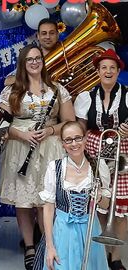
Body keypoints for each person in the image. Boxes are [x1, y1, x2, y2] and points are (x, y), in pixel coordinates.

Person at [0, 44, 75, 270]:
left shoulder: (57, 88)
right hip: (20, 148)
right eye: (29, 59)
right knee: (23, 201)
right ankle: (30, 247)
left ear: (43, 61)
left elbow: (69, 122)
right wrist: (22, 134)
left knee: (45, 201)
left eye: (38, 58)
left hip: (50, 149)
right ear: (23, 63)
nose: (34, 62)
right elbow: (0, 124)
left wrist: (50, 130)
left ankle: (46, 245)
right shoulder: (12, 91)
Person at [74, 49, 128, 270]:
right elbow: (81, 128)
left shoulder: (127, 95)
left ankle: (116, 257)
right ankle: (104, 255)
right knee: (102, 203)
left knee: (122, 208)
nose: (107, 71)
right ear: (97, 71)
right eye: (103, 67)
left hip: (123, 150)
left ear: (118, 72)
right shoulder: (86, 97)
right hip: (95, 151)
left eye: (112, 68)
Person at [39, 121, 109, 270]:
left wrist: (100, 198)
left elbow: (106, 205)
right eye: (68, 140)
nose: (74, 143)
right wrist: (50, 246)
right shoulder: (55, 168)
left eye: (78, 138)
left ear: (85, 139)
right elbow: (48, 208)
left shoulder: (98, 166)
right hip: (63, 232)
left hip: (91, 231)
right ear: (62, 143)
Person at [5, 19, 59, 86]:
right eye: (44, 33)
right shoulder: (30, 55)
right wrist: (31, 75)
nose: (48, 37)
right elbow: (8, 81)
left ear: (57, 35)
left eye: (52, 33)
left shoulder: (66, 53)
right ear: (38, 36)